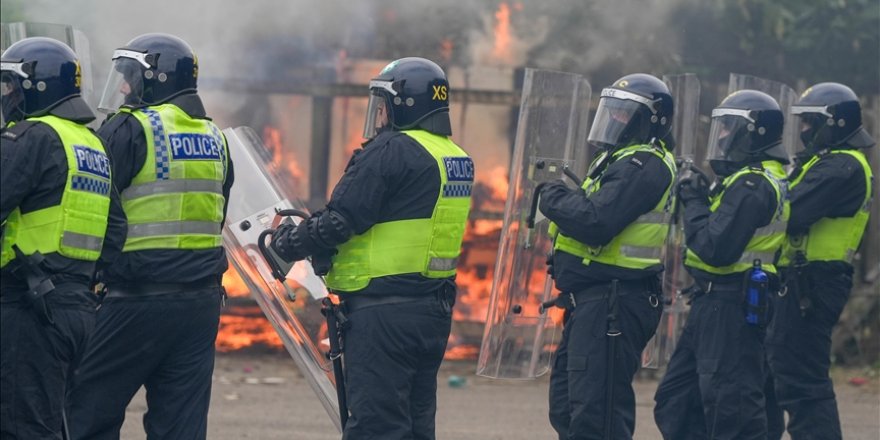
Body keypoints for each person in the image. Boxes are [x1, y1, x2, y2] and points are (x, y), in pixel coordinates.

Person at [270, 57, 472, 439]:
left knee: (376, 426)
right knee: (415, 425)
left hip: (383, 315)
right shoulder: (454, 157)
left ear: (404, 103)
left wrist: (289, 241)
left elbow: (340, 220)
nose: (378, 114)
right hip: (431, 310)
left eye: (383, 104)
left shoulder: (391, 150)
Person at [66, 33, 233, 440]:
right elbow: (219, 214)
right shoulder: (216, 139)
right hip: (199, 305)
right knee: (181, 425)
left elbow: (93, 206)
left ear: (155, 80)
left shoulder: (129, 128)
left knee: (86, 412)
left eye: (131, 77)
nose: (123, 87)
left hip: (135, 299)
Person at [538, 73, 676, 440]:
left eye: (624, 113)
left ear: (650, 120)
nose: (613, 120)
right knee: (569, 407)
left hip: (615, 301)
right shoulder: (617, 160)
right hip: (593, 301)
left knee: (598, 418)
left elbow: (596, 220)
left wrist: (550, 195)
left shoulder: (645, 163)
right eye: (610, 111)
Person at [653, 89, 790, 440]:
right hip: (711, 302)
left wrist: (694, 199)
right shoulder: (740, 180)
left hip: (733, 304)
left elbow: (716, 248)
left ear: (753, 132)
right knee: (678, 400)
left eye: (729, 128)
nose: (722, 137)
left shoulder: (753, 184)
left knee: (733, 409)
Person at [1, 37, 110, 439]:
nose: (7, 95)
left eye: (11, 85)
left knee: (20, 426)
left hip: (27, 308)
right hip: (76, 308)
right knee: (51, 423)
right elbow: (114, 231)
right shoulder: (91, 144)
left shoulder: (32, 137)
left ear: (35, 86)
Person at [765, 82, 874, 440]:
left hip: (814, 284)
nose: (805, 129)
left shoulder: (843, 166)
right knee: (777, 374)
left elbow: (791, 212)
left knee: (802, 383)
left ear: (837, 123)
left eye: (812, 121)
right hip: (799, 282)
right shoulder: (823, 161)